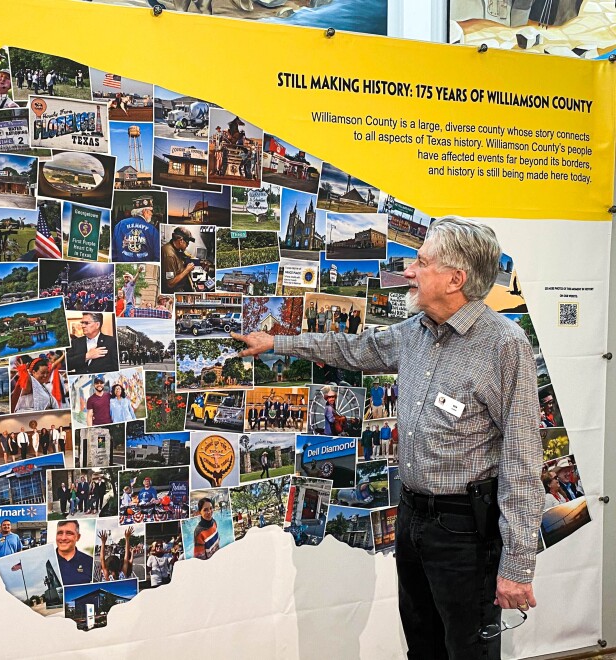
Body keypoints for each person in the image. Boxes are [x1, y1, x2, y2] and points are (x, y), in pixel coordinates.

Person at [233, 216, 543, 658]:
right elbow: (352, 350)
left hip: (465, 532)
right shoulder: (415, 332)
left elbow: (524, 460)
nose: (409, 272)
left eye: (421, 262)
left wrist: (517, 566)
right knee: (423, 646)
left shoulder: (503, 346)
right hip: (412, 517)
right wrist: (277, 343)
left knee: (468, 651)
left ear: (456, 279)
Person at [113, 196, 160, 261]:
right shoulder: (153, 230)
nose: (152, 214)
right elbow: (157, 257)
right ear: (145, 211)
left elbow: (113, 253)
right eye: (151, 211)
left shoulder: (120, 225)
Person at [161, 227, 198, 294]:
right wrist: (187, 270)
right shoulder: (169, 255)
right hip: (174, 290)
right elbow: (170, 283)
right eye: (187, 243)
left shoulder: (175, 248)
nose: (187, 245)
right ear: (181, 241)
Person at [55, 520, 93, 585]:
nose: (63, 538)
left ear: (78, 537)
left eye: (69, 533)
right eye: (60, 533)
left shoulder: (90, 562)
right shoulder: (46, 562)